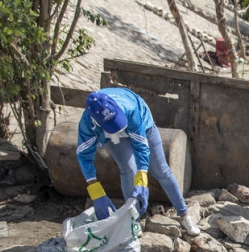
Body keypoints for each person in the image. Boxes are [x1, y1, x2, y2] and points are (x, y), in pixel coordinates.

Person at [77, 88, 200, 236]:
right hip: (111, 136)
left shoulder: (130, 109)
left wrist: (142, 180)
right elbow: (84, 157)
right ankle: (133, 221)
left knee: (160, 169)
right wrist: (96, 192)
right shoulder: (87, 124)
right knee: (128, 170)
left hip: (141, 124)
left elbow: (141, 147)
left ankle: (184, 214)